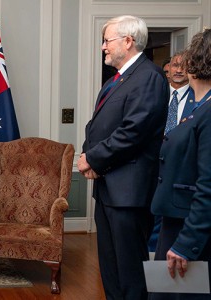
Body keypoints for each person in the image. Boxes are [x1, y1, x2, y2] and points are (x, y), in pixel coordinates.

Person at [78, 15, 168, 299]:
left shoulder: (149, 77)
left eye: (107, 40)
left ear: (128, 41)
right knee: (111, 269)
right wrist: (89, 156)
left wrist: (92, 159)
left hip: (129, 193)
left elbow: (132, 132)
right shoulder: (116, 80)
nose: (103, 46)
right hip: (108, 188)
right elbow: (96, 126)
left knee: (129, 272)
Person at [150, 28, 211, 300]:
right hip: (175, 222)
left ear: (195, 62)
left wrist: (187, 244)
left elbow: (207, 186)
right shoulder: (201, 107)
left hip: (190, 232)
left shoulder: (208, 113)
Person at [149, 51, 196, 252]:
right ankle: (149, 260)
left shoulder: (200, 99)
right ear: (167, 71)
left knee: (173, 225)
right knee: (151, 218)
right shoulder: (154, 94)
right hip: (152, 166)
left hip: (181, 170)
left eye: (184, 66)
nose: (179, 70)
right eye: (175, 65)